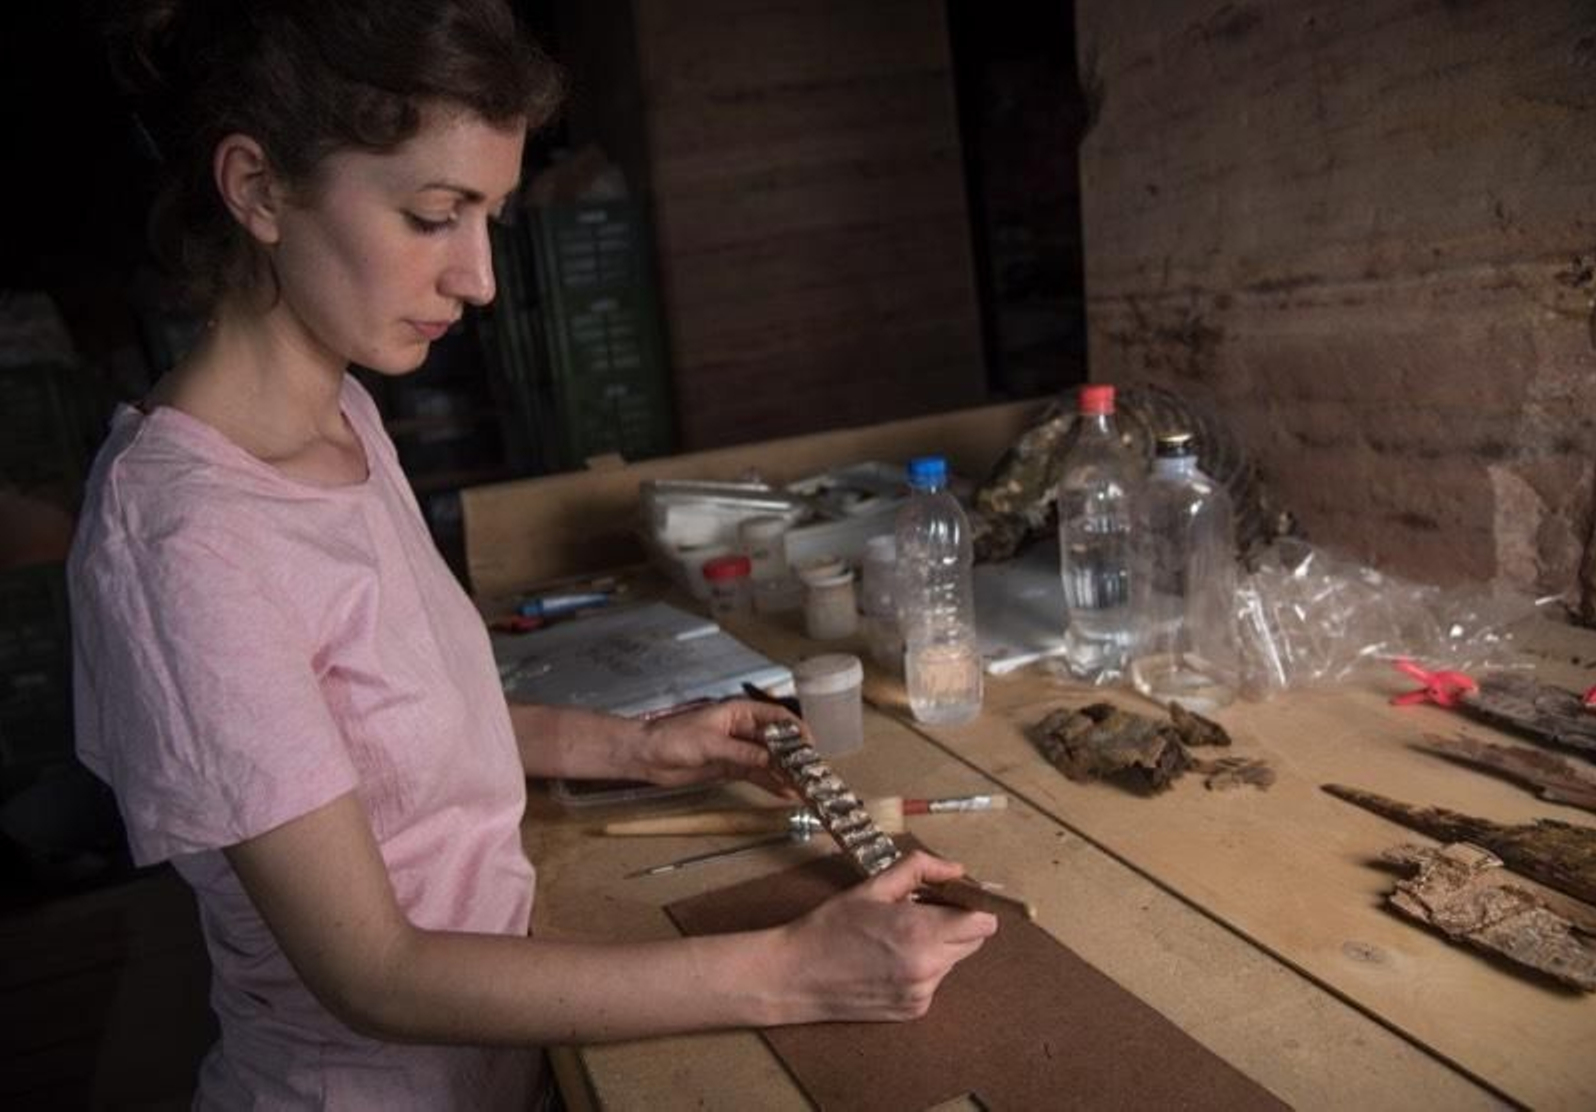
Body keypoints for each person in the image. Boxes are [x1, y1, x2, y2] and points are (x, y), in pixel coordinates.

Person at [70, 2, 996, 1107]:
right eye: (431, 215)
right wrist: (786, 970)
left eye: (489, 219)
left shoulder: (341, 415)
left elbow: (383, 730)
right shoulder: (185, 541)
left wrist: (636, 748)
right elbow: (377, 972)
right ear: (258, 187)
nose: (479, 278)